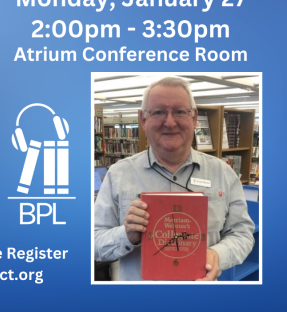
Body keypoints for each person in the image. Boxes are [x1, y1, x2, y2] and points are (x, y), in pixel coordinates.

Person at [94, 77, 255, 281]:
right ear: (143, 120)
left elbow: (242, 234)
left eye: (180, 111)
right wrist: (126, 235)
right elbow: (93, 242)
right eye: (159, 112)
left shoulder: (223, 174)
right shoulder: (118, 174)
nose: (170, 122)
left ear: (194, 118)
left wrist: (217, 255)